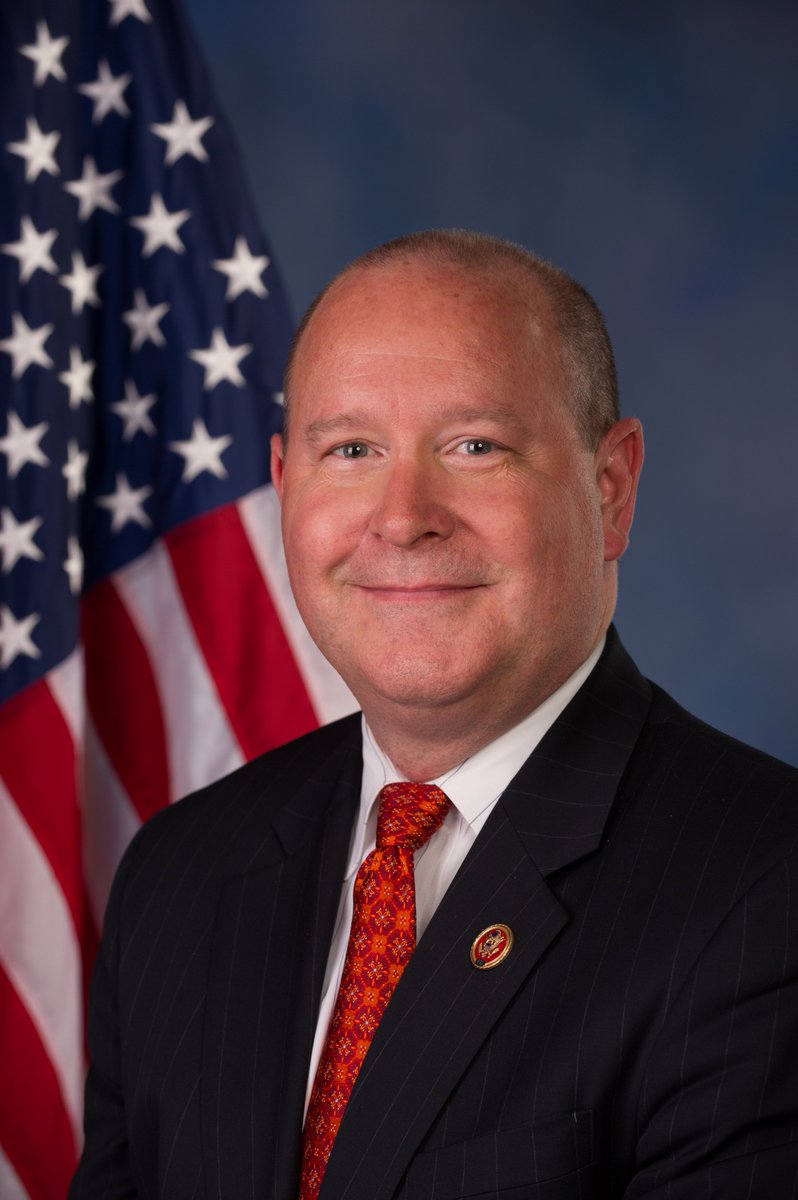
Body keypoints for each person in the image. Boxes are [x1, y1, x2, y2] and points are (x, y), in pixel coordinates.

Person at [70, 230, 798, 1199]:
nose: (404, 514)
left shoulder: (764, 891)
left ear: (611, 489)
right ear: (283, 486)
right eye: (352, 450)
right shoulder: (180, 873)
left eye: (475, 447)